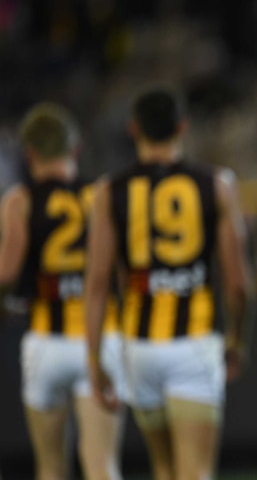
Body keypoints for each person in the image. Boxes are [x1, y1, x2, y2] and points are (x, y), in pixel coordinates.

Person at [84, 87, 254, 480]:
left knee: (164, 468)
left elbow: (96, 284)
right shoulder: (216, 184)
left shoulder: (109, 191)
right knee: (194, 472)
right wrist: (237, 340)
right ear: (182, 127)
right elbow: (239, 285)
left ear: (133, 129)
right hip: (194, 343)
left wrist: (95, 359)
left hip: (138, 346)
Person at [0, 103, 126, 480]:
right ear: (75, 149)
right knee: (101, 464)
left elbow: (6, 274)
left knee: (50, 468)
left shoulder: (20, 201)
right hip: (99, 338)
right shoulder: (102, 192)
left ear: (30, 154)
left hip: (46, 341)